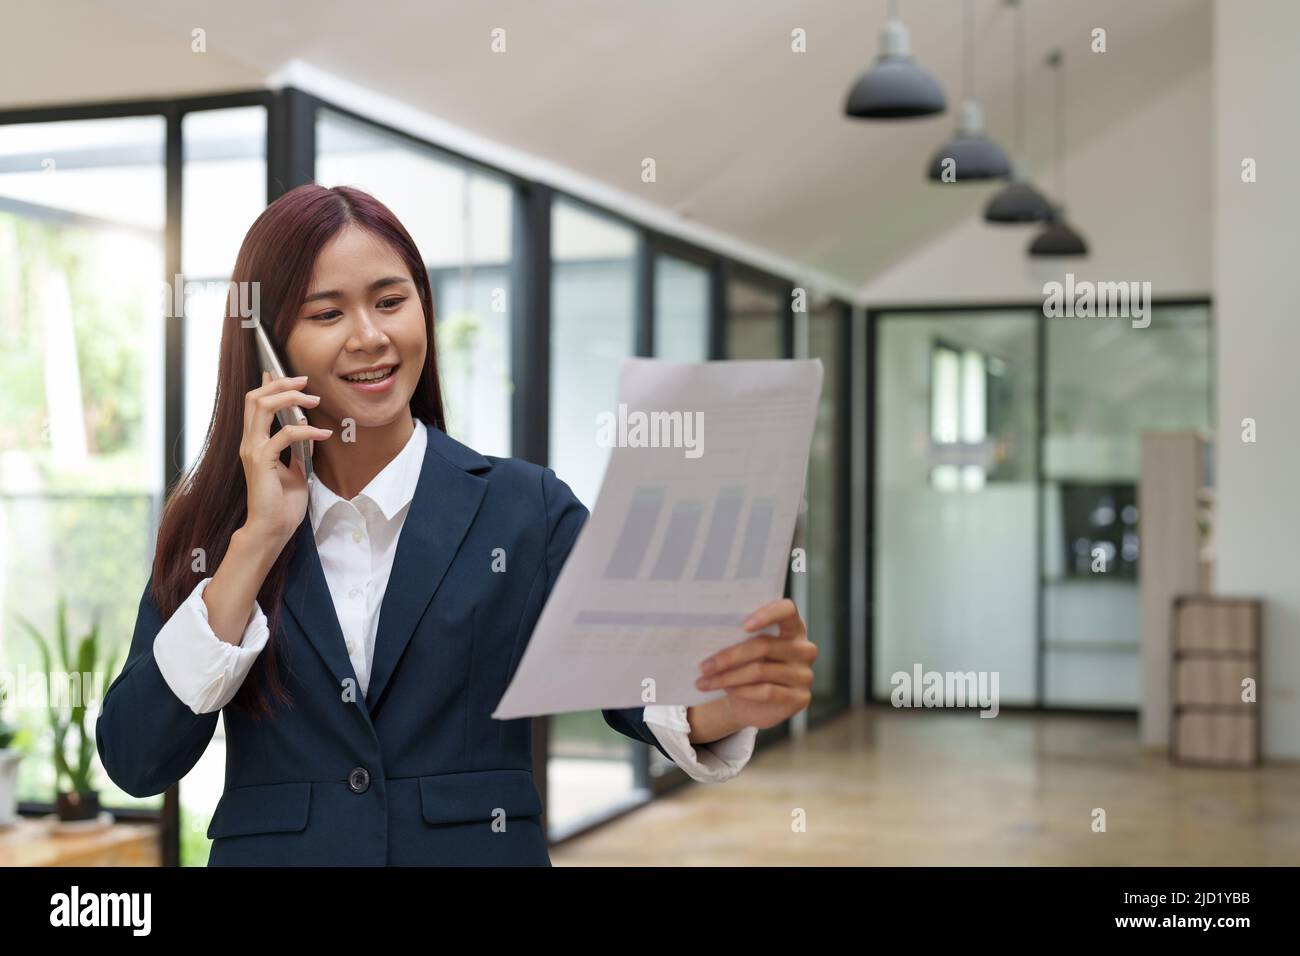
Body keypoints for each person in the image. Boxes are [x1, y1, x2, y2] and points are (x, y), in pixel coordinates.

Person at [95, 184, 816, 865]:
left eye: (391, 300)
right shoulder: (216, 530)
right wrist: (255, 545)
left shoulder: (524, 507)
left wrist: (729, 700)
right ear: (268, 347)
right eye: (327, 313)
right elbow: (137, 758)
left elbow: (640, 687)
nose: (370, 336)